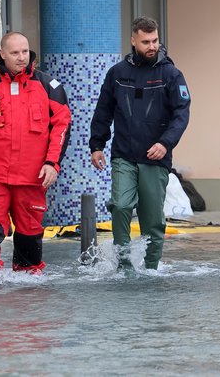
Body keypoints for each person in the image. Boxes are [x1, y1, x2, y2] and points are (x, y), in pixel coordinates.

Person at [0, 32, 71, 274]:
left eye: (25, 52)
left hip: (32, 179)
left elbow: (62, 127)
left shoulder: (49, 87)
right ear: (2, 54)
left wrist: (53, 163)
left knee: (30, 242)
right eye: (15, 53)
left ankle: (28, 298)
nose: (22, 58)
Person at [89, 16, 191, 270]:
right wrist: (97, 145)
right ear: (133, 40)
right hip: (124, 155)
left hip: (156, 157)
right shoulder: (117, 73)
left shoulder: (171, 74)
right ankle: (124, 266)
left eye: (155, 40)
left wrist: (165, 144)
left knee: (152, 220)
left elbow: (182, 113)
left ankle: (151, 268)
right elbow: (103, 111)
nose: (152, 46)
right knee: (121, 206)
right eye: (145, 41)